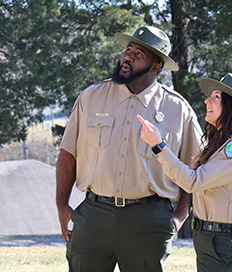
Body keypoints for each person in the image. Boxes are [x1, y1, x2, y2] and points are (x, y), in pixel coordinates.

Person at [56, 25, 203, 272]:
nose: (128, 57)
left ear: (157, 67)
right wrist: (62, 206)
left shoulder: (178, 109)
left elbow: (196, 168)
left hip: (149, 220)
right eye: (128, 49)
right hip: (94, 216)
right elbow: (68, 153)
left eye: (139, 54)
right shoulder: (91, 97)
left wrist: (179, 217)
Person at [138, 73, 232, 271]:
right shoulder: (219, 145)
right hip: (210, 241)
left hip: (226, 244)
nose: (206, 100)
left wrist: (159, 146)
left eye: (216, 97)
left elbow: (193, 182)